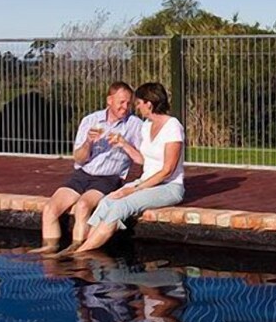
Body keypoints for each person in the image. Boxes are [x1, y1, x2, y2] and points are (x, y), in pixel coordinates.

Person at [32, 81, 142, 254]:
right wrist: (88, 142)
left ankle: (77, 250)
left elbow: (142, 159)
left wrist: (124, 144)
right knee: (50, 209)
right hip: (83, 174)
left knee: (83, 206)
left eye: (128, 103)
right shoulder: (90, 120)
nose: (125, 107)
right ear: (109, 100)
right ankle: (49, 250)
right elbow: (78, 158)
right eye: (121, 102)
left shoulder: (134, 124)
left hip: (109, 178)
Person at [74, 82, 185, 253]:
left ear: (149, 104)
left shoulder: (172, 126)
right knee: (107, 201)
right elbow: (143, 159)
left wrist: (134, 189)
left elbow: (167, 170)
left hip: (168, 187)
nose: (136, 107)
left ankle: (79, 255)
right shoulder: (147, 126)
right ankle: (84, 245)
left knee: (121, 206)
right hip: (146, 182)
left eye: (139, 103)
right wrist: (123, 144)